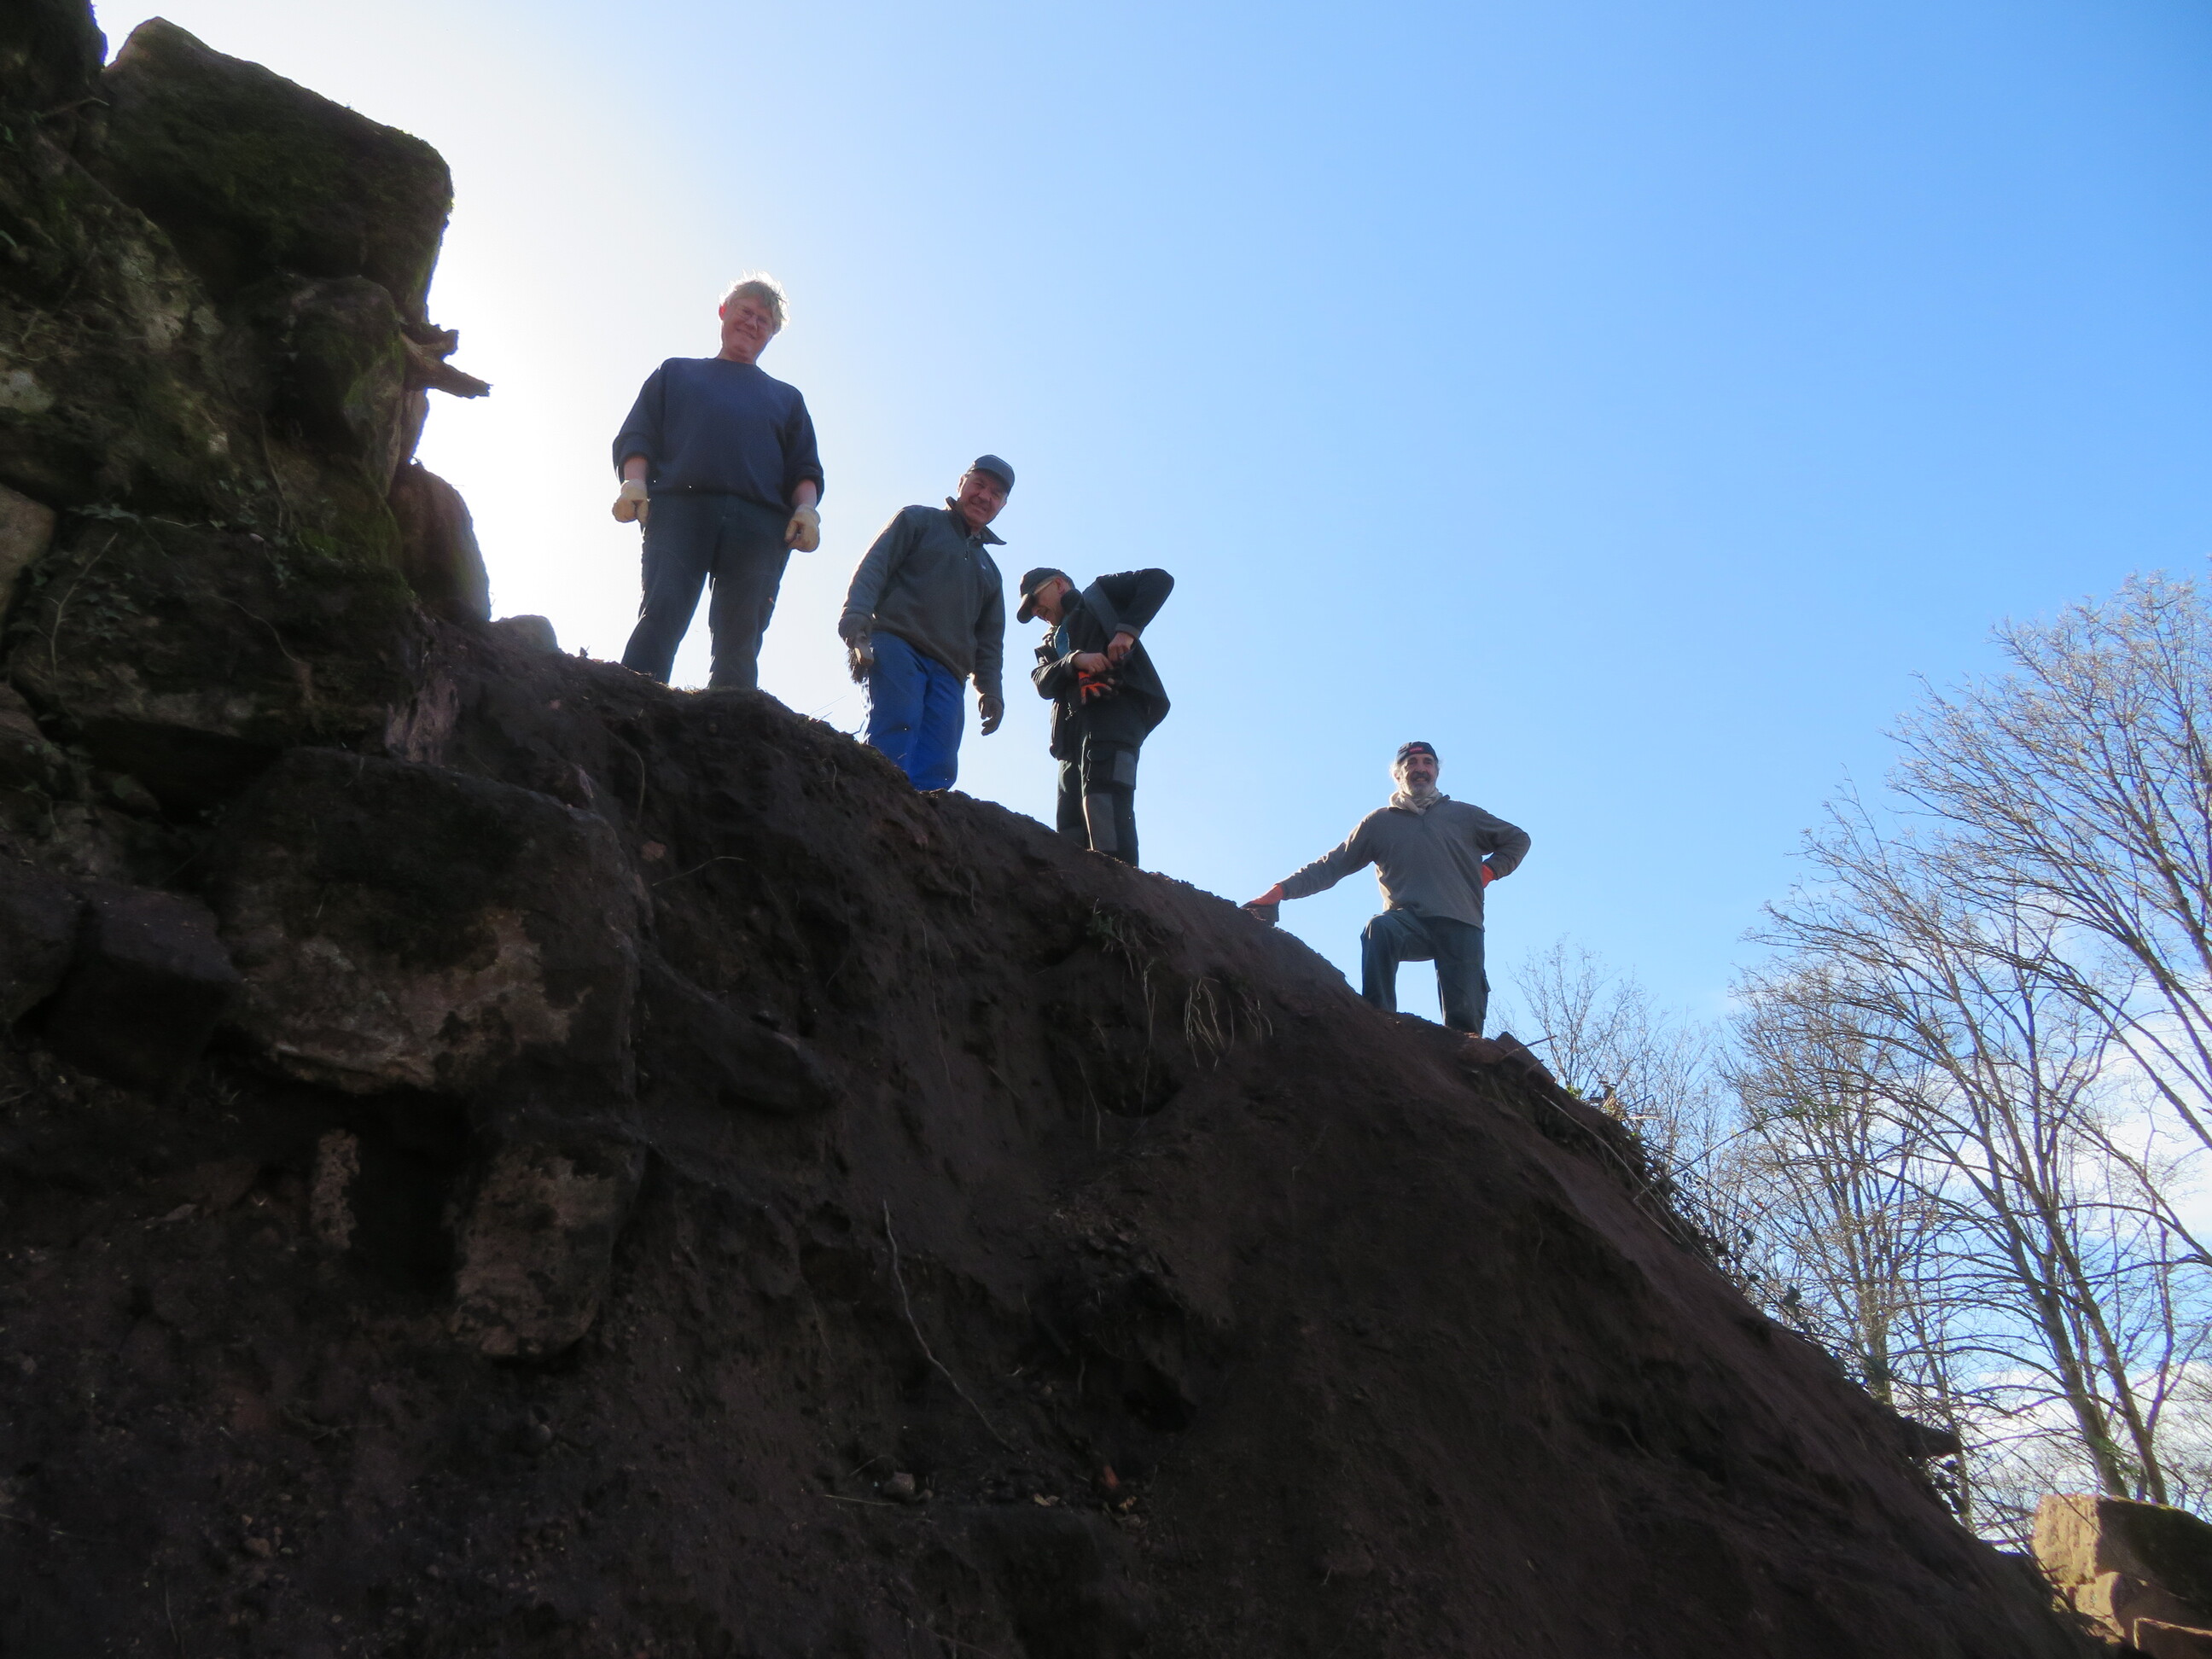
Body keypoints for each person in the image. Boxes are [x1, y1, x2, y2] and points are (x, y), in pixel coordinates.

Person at [609, 274, 824, 690]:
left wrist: (807, 510)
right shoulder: (676, 373)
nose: (753, 323)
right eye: (746, 311)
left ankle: (731, 718)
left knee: (740, 639)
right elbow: (639, 434)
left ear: (771, 335)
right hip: (680, 508)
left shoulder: (787, 399)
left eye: (764, 321)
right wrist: (633, 483)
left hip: (760, 524)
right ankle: (629, 704)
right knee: (661, 612)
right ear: (724, 312)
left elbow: (804, 467)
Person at [1243, 742, 1529, 1034]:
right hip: (1408, 922)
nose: (1420, 769)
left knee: (1464, 1021)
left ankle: (1467, 1055)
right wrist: (1279, 891)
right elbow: (1332, 865)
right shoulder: (1379, 822)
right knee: (1379, 929)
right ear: (1397, 773)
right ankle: (1378, 1024)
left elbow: (1518, 839)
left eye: (1428, 762)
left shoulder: (1465, 815)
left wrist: (1489, 871)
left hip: (1462, 923)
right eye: (1411, 763)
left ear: (1436, 771)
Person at [837, 457, 1014, 790]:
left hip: (950, 671)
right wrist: (855, 616)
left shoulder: (991, 573)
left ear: (1003, 505)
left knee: (939, 761)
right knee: (895, 726)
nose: (984, 497)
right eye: (979, 485)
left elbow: (990, 642)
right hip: (896, 644)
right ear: (961, 483)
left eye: (996, 494)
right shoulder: (917, 520)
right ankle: (872, 801)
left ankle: (916, 821)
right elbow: (875, 566)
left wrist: (991, 691)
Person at [1020, 566, 1173, 866]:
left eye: (1035, 601)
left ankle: (1119, 883)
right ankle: (1077, 885)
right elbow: (1041, 681)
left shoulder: (1099, 595)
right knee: (1070, 816)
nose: (1036, 611)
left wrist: (1126, 633)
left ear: (1059, 585)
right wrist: (1075, 660)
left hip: (1112, 713)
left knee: (1104, 798)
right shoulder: (1048, 643)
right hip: (1070, 736)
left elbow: (1158, 580)